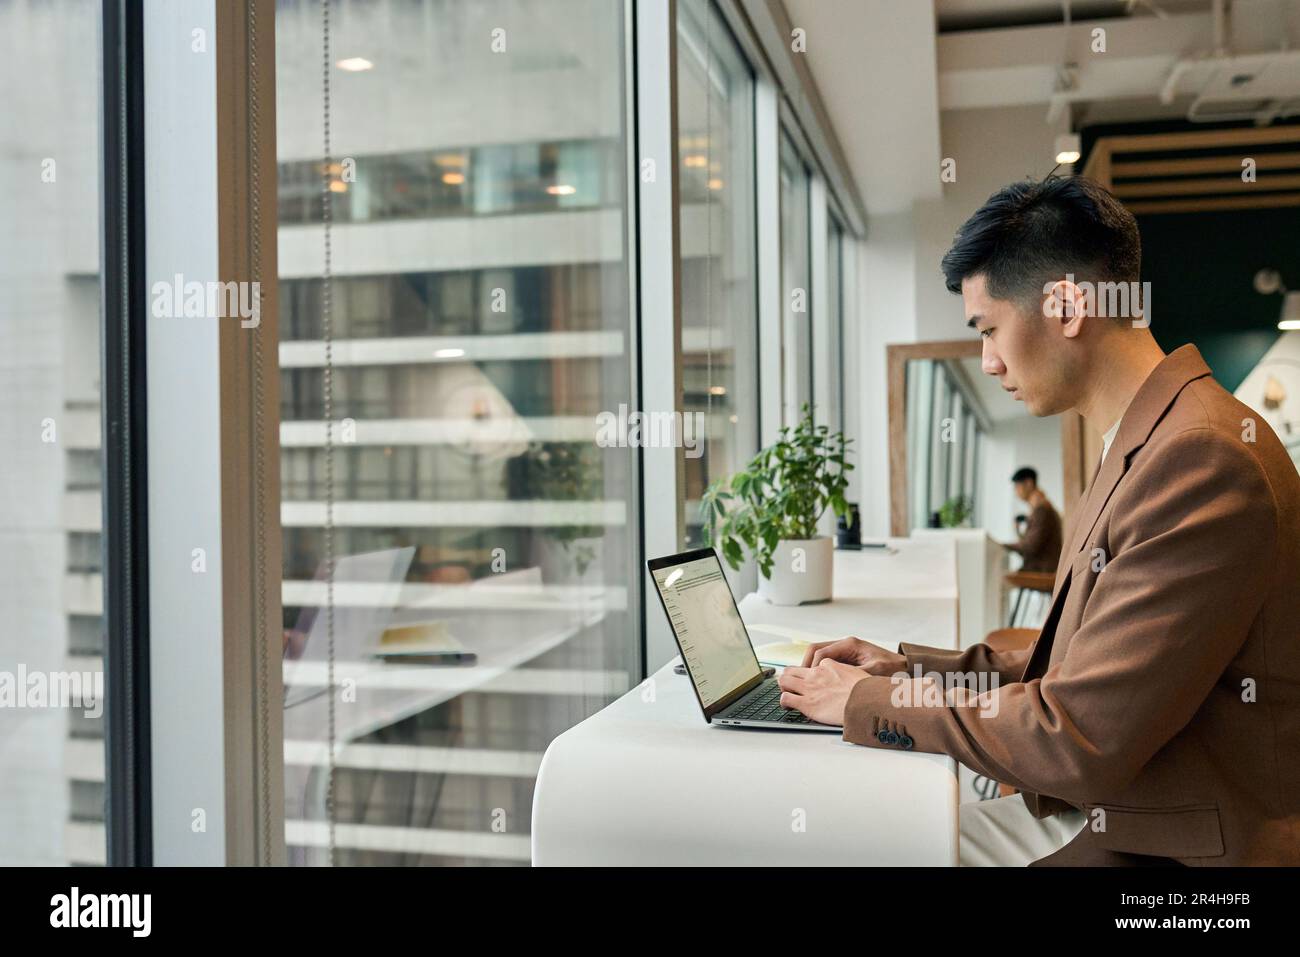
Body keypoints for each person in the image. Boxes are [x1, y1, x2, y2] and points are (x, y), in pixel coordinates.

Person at [777, 175, 1300, 866]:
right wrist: (905, 669)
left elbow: (1077, 731)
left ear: (1068, 304)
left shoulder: (1199, 457)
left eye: (989, 328)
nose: (988, 361)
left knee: (862, 843)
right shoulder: (1150, 440)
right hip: (1120, 809)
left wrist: (874, 700)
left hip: (1177, 855)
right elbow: (1085, 665)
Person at [1004, 467, 1062, 572]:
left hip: (1044, 569)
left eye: (1017, 486)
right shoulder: (1040, 507)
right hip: (1042, 566)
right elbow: (1031, 544)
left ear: (1029, 483)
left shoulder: (1042, 509)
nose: (1016, 491)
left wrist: (1005, 546)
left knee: (1003, 576)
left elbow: (1030, 548)